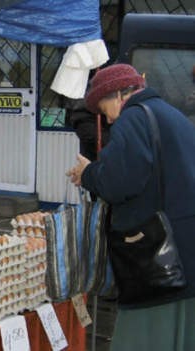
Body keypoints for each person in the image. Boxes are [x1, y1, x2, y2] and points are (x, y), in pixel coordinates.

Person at [66, 63, 195, 350]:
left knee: (146, 336)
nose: (109, 120)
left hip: (159, 262)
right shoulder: (173, 115)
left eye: (104, 109)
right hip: (187, 253)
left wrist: (88, 174)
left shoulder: (133, 118)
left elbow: (118, 182)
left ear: (117, 96)